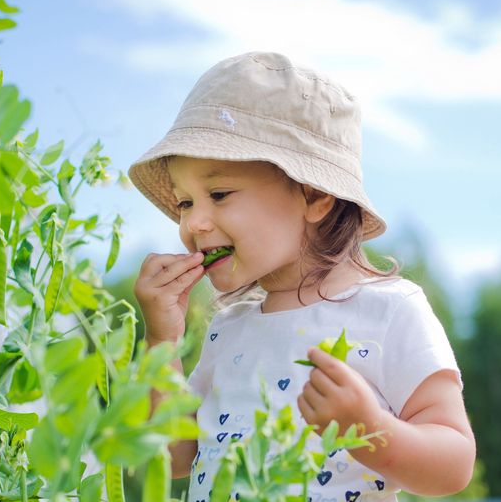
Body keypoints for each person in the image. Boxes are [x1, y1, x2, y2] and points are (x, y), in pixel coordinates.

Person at [129, 52, 475, 501]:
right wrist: (162, 342)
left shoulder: (389, 310)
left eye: (219, 193)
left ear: (315, 196)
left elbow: (453, 466)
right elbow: (174, 457)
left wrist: (368, 428)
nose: (193, 223)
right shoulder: (229, 328)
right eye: (185, 202)